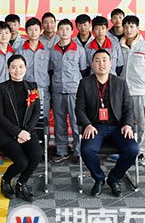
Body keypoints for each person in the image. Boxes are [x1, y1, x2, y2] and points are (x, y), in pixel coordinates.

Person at [76, 49, 138, 197]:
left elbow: (128, 107)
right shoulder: (85, 83)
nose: (101, 64)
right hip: (95, 126)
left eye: (104, 60)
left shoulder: (120, 83)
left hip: (118, 126)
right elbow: (79, 108)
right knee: (87, 150)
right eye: (97, 60)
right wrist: (87, 124)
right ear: (92, 64)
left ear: (110, 64)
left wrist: (128, 124)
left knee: (132, 149)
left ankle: (114, 179)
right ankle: (99, 179)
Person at [0, 55, 42, 201]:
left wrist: (26, 131)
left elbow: (36, 112)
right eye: (13, 67)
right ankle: (6, 180)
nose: (17, 70)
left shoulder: (32, 87)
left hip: (27, 132)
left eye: (21, 67)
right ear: (8, 69)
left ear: (25, 68)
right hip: (7, 135)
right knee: (22, 162)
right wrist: (18, 132)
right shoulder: (1, 88)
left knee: (37, 154)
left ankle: (21, 183)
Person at [119, 15, 145, 165]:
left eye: (132, 26)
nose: (128, 30)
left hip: (142, 92)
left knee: (143, 124)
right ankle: (128, 150)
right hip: (124, 92)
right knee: (126, 123)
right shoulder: (119, 45)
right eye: (126, 27)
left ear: (137, 28)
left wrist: (143, 82)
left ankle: (142, 152)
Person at [49, 19, 88, 162]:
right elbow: (50, 71)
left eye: (67, 29)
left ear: (72, 31)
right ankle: (61, 151)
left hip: (74, 91)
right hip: (57, 90)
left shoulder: (79, 50)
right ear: (57, 31)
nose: (64, 32)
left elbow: (83, 70)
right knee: (59, 122)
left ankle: (79, 151)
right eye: (61, 29)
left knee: (76, 122)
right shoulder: (52, 50)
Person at [16, 17, 51, 123]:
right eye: (30, 30)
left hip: (42, 89)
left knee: (43, 119)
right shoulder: (20, 51)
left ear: (40, 31)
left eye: (36, 29)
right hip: (25, 90)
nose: (33, 32)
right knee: (25, 118)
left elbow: (51, 70)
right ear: (26, 32)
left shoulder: (47, 51)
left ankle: (44, 135)